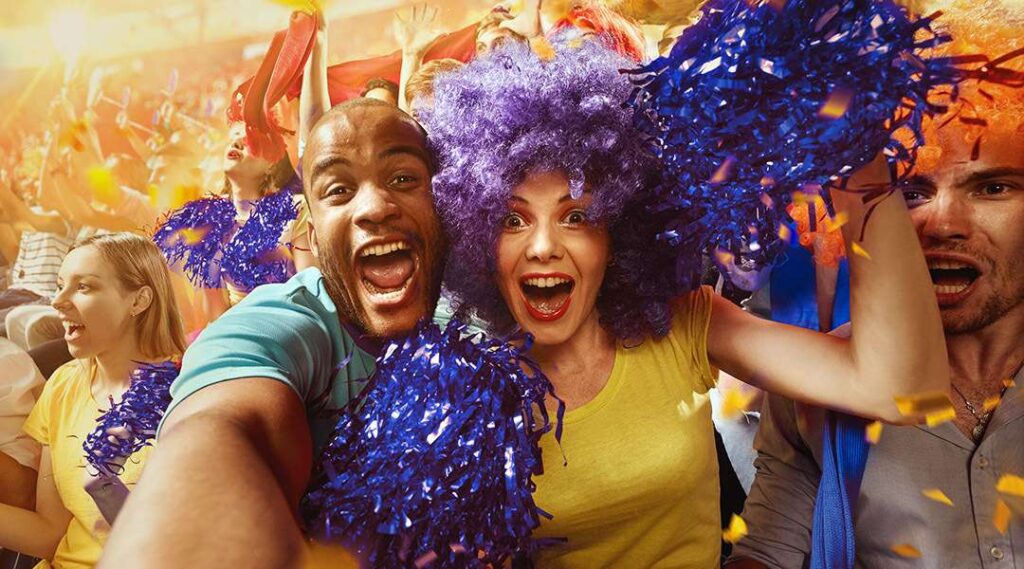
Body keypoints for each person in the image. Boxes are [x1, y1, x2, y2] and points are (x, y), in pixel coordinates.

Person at [421, 37, 948, 567]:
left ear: (617, 232)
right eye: (513, 220)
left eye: (576, 216)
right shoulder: (469, 393)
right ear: (477, 236)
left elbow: (900, 387)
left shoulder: (684, 324)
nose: (541, 247)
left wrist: (859, 159)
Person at [727, 8, 1024, 567]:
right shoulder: (818, 392)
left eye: (993, 188)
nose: (943, 223)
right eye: (911, 192)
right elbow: (769, 550)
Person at [102, 98, 447, 568]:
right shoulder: (288, 321)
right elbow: (219, 426)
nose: (374, 208)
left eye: (403, 178)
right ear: (311, 226)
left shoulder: (490, 299)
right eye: (339, 190)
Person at [0, 232, 186, 568]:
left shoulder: (186, 392)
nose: (58, 301)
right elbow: (49, 534)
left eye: (84, 287)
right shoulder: (63, 384)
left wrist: (108, 492)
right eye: (60, 285)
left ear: (139, 300)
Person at [152, 118, 316, 321]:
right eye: (234, 138)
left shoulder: (295, 208)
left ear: (271, 164)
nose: (236, 143)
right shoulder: (208, 219)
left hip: (292, 321)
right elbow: (216, 311)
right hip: (237, 329)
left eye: (250, 142)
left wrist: (273, 255)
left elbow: (311, 289)